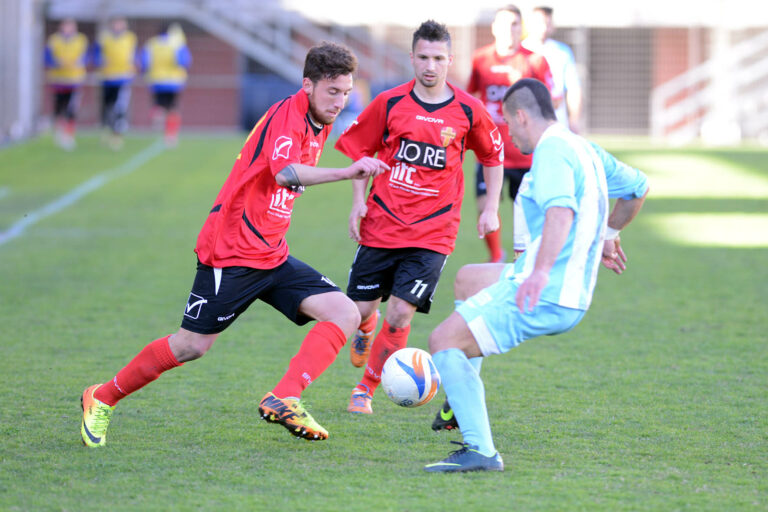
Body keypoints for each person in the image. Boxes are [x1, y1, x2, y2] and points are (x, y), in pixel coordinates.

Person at [79, 42, 390, 447]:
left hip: (271, 252)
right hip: (230, 252)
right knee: (191, 345)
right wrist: (348, 173)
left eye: (346, 93)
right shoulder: (288, 115)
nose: (340, 101)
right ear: (308, 85)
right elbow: (285, 174)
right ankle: (102, 397)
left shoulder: (322, 120)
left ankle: (286, 396)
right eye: (333, 92)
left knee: (344, 313)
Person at [423, 78, 649, 472]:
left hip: (545, 290)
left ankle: (481, 451)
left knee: (443, 341)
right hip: (561, 286)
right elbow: (638, 187)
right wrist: (609, 234)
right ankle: (460, 401)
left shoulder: (552, 152)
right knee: (469, 279)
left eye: (509, 125)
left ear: (522, 116)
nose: (509, 135)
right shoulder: (583, 148)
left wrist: (540, 272)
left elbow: (561, 212)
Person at [334, 20, 504, 415]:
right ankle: (364, 326)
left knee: (400, 311)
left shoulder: (467, 109)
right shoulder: (389, 103)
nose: (430, 65)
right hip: (381, 222)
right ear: (412, 57)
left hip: (434, 231)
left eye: (439, 58)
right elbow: (361, 152)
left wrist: (492, 206)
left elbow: (493, 155)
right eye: (423, 57)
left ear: (450, 60)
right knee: (359, 310)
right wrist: (358, 200)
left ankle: (366, 388)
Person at [467, 4, 556, 264]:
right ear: (494, 28)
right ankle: (496, 256)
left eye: (515, 24)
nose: (509, 29)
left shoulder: (535, 60)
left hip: (525, 154)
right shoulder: (480, 59)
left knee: (527, 213)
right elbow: (470, 97)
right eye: (504, 24)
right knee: (485, 205)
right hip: (489, 150)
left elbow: (549, 102)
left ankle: (527, 259)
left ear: (521, 28)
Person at [523, 6, 583, 133]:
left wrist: (574, 119)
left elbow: (573, 88)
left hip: (556, 120)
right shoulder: (521, 51)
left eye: (547, 23)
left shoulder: (562, 51)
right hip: (527, 121)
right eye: (540, 23)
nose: (544, 28)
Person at [139, 22, 191, 147]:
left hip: (156, 80)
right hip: (173, 80)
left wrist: (145, 73)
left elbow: (144, 61)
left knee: (159, 104)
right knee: (173, 108)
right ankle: (171, 135)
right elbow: (184, 61)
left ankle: (158, 115)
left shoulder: (152, 44)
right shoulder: (176, 44)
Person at [91, 17, 138, 150]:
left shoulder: (130, 38)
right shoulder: (104, 38)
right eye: (116, 24)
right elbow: (96, 55)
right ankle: (106, 129)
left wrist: (134, 66)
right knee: (107, 105)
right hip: (107, 77)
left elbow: (134, 55)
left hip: (123, 78)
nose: (118, 26)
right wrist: (100, 62)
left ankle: (117, 134)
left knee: (120, 107)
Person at [44, 18, 88, 151]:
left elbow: (86, 56)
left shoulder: (81, 40)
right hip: (58, 79)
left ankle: (69, 134)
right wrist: (57, 63)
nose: (68, 29)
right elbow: (46, 56)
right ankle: (58, 132)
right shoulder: (54, 40)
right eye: (66, 26)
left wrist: (77, 63)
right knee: (59, 107)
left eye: (71, 26)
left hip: (74, 80)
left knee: (71, 108)